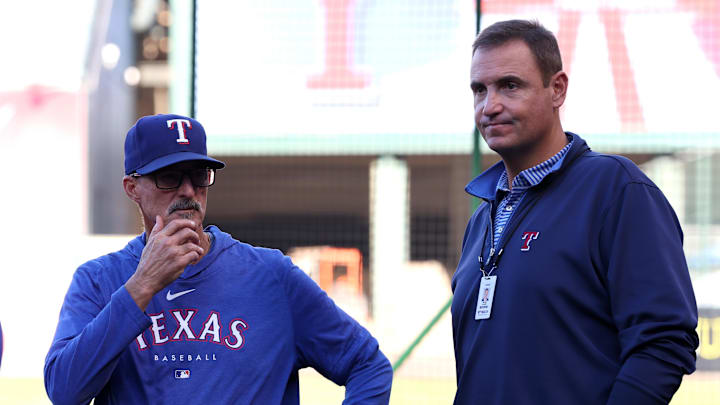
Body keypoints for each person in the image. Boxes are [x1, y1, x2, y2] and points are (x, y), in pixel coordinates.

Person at [45, 114, 393, 404]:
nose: (187, 191)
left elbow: (368, 365)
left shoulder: (272, 277)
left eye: (198, 175)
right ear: (132, 187)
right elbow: (64, 390)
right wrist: (142, 285)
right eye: (169, 177)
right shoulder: (98, 280)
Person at [451, 20, 698, 405]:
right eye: (479, 90)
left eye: (510, 85)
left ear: (557, 89)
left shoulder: (617, 190)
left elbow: (665, 341)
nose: (490, 105)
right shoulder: (480, 221)